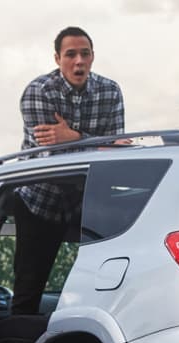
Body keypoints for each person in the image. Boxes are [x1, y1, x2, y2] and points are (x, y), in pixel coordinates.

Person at [12, 25, 124, 314]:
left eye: (84, 54)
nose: (79, 62)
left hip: (90, 201)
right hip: (40, 200)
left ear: (93, 57)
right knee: (28, 288)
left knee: (107, 281)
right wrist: (94, 144)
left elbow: (117, 152)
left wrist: (74, 137)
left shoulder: (110, 92)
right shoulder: (37, 92)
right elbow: (54, 157)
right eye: (71, 54)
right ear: (57, 59)